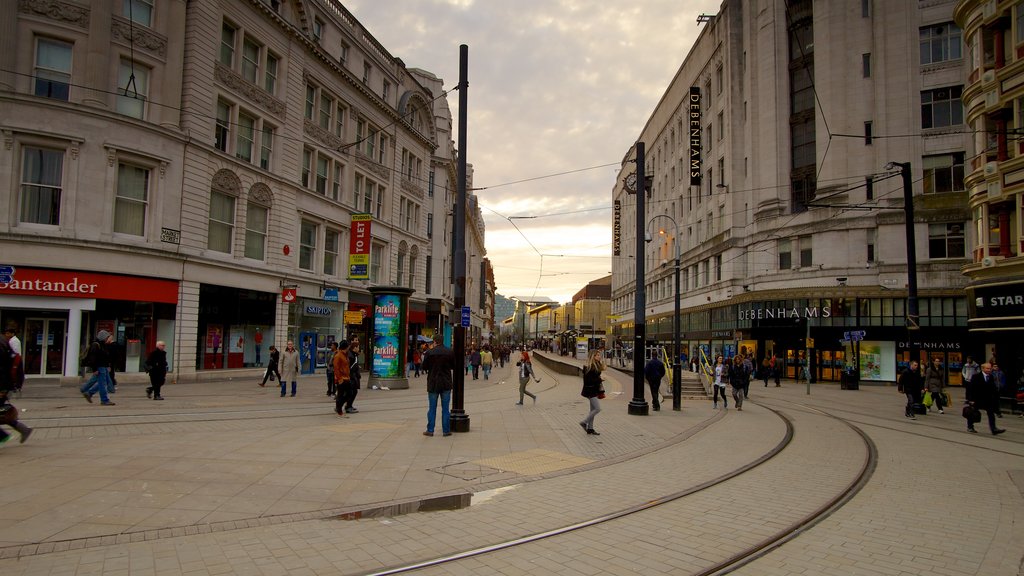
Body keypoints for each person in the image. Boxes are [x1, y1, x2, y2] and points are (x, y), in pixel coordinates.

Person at [0, 329, 32, 445]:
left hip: (2, 385)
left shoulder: (1, 345)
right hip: (5, 384)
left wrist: (3, 389)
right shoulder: (3, 342)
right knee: (2, 413)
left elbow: (2, 369)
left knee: (2, 412)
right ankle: (23, 429)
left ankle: (2, 436)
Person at [421, 334, 454, 436]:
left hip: (433, 382)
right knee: (445, 409)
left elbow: (424, 367)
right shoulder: (449, 352)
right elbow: (453, 366)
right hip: (446, 383)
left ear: (434, 341)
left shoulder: (429, 353)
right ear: (443, 341)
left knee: (432, 408)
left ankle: (430, 430)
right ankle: (446, 430)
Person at [966, 362, 1005, 435]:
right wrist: (970, 400)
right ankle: (970, 426)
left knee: (991, 413)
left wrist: (995, 397)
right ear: (982, 368)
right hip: (977, 399)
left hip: (988, 400)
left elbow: (993, 389)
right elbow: (971, 389)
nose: (989, 370)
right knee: (973, 413)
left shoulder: (991, 377)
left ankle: (993, 429)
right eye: (987, 368)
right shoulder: (976, 376)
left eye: (990, 368)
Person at [80, 330, 116, 406]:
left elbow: (105, 356)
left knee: (103, 382)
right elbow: (93, 358)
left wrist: (108, 365)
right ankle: (104, 400)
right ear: (103, 337)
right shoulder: (96, 345)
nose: (108, 339)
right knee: (102, 384)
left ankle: (89, 393)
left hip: (103, 366)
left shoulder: (103, 345)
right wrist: (95, 369)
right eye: (107, 337)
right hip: (100, 367)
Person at [579, 349, 605, 435]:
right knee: (597, 409)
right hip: (590, 390)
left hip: (593, 389)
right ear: (593, 356)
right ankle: (584, 422)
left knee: (592, 410)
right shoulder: (589, 367)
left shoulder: (596, 365)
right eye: (597, 355)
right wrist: (600, 379)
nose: (599, 356)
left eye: (599, 355)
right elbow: (588, 381)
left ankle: (590, 428)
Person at [333, 339, 351, 417]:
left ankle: (338, 407)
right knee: (341, 394)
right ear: (346, 347)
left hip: (346, 377)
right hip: (341, 379)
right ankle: (339, 409)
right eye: (348, 346)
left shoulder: (345, 355)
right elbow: (336, 368)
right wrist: (339, 379)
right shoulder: (338, 355)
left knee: (349, 394)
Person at [3, 327, 23, 393]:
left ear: (12, 333)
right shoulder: (11, 340)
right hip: (14, 358)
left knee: (15, 373)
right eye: (6, 333)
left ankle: (16, 386)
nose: (6, 335)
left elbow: (15, 351)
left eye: (8, 333)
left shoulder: (14, 341)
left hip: (15, 359)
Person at [345, 336, 361, 413]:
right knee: (351, 392)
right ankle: (348, 406)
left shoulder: (354, 355)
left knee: (353, 391)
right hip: (351, 376)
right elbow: (350, 367)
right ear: (354, 348)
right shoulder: (351, 356)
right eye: (358, 347)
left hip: (354, 376)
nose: (359, 349)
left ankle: (349, 405)